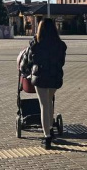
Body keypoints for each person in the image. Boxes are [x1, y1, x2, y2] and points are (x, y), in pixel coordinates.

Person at [19, 19, 67, 149]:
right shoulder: (60, 45)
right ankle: (50, 128)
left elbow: (28, 62)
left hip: (40, 76)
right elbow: (62, 62)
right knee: (49, 102)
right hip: (55, 77)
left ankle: (47, 137)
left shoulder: (36, 44)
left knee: (44, 105)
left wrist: (27, 73)